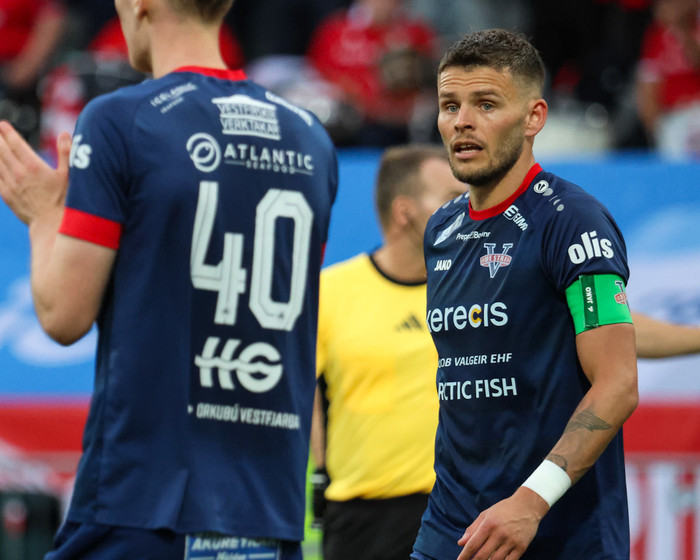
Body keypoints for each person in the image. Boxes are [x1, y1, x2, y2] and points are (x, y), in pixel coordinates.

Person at [0, 0, 338, 558]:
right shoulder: (309, 136)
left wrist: (43, 219)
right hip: (266, 509)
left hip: (145, 500)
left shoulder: (121, 119)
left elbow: (63, 316)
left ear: (140, 5)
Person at [412, 29, 638, 560]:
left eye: (486, 104)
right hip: (453, 527)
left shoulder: (573, 221)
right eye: (450, 105)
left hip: (558, 533)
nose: (462, 121)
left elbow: (619, 383)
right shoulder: (441, 229)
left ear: (534, 117)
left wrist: (531, 502)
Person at [310, 144, 467, 560]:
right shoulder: (330, 292)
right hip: (363, 522)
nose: (466, 210)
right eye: (451, 198)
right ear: (404, 212)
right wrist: (320, 470)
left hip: (460, 513)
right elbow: (305, 394)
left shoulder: (477, 291)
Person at [306, 0, 437, 146]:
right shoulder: (335, 30)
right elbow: (316, 79)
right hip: (349, 127)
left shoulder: (415, 32)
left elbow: (432, 83)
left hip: (403, 128)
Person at [636, 0, 700, 158]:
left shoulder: (695, 27)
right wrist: (656, 128)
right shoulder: (656, 35)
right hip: (674, 118)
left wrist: (683, 29)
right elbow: (648, 82)